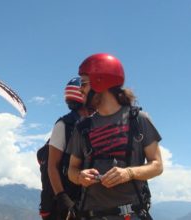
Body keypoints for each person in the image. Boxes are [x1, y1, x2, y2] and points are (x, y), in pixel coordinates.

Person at [67, 53, 163, 220]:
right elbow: (71, 170)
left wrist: (129, 173)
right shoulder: (82, 128)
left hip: (131, 214)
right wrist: (80, 176)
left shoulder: (139, 120)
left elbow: (157, 165)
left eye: (83, 83)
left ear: (100, 82)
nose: (80, 89)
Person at [41, 77, 90, 220]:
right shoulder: (64, 125)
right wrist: (64, 200)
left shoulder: (93, 124)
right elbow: (52, 166)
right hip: (65, 202)